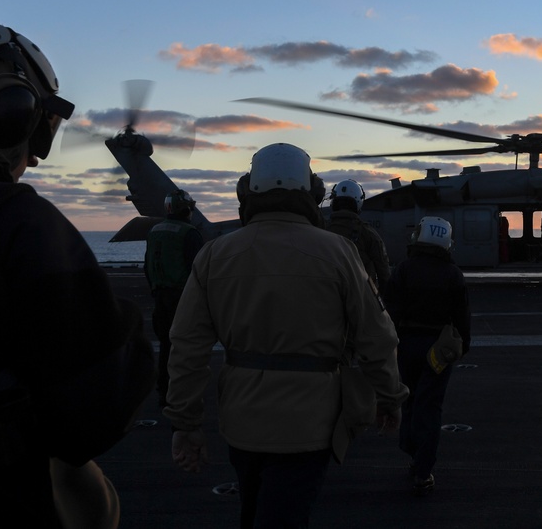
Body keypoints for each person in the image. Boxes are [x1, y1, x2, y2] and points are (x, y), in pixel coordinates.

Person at [0, 17, 155, 527]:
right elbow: (97, 411)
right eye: (37, 132)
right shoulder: (9, 219)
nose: (35, 159)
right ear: (6, 112)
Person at [165, 142, 408, 528]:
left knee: (254, 508)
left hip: (241, 421)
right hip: (311, 424)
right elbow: (377, 337)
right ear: (312, 194)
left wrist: (185, 424)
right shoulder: (340, 252)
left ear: (246, 193)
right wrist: (391, 396)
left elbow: (186, 349)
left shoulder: (214, 255)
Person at [383, 216, 471, 497]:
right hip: (438, 350)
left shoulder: (405, 269)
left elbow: (390, 311)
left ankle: (411, 450)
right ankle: (423, 471)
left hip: (407, 344)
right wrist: (462, 346)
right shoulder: (453, 273)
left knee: (408, 399)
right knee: (430, 406)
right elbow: (462, 318)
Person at [144, 189, 204, 407]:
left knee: (166, 347)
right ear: (186, 209)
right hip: (182, 298)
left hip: (160, 296)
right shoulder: (189, 233)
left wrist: (154, 289)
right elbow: (198, 269)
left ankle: (164, 393)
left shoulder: (154, 231)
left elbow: (147, 265)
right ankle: (185, 394)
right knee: (187, 349)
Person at [326, 178, 391, 288]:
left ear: (334, 202)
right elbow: (383, 271)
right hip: (360, 298)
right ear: (358, 202)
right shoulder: (368, 234)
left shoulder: (321, 229)